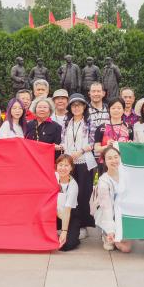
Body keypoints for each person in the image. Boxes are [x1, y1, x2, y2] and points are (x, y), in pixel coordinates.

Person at [60, 94, 96, 239]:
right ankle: (69, 223)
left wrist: (80, 151)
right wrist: (63, 149)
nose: (76, 108)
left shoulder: (89, 122)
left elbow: (92, 142)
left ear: (84, 107)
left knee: (83, 194)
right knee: (69, 193)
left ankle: (82, 226)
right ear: (70, 108)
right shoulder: (66, 122)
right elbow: (63, 140)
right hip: (69, 162)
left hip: (84, 162)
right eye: (73, 105)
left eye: (79, 105)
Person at [95, 146, 132, 252]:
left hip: (124, 213)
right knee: (110, 246)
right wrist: (110, 230)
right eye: (110, 158)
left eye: (116, 157)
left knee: (126, 248)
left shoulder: (127, 176)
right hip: (109, 213)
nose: (114, 160)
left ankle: (118, 235)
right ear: (104, 161)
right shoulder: (103, 181)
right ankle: (106, 233)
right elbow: (106, 208)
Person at [55, 154, 81, 251]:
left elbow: (67, 210)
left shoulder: (73, 185)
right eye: (60, 165)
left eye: (66, 165)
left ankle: (69, 234)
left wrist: (64, 231)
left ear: (71, 168)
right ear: (56, 166)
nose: (63, 168)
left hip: (69, 214)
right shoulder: (53, 177)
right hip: (54, 213)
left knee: (67, 245)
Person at [87, 82, 110, 150]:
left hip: (107, 150)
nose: (96, 94)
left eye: (98, 91)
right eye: (93, 91)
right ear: (89, 93)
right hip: (88, 151)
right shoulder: (84, 111)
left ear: (103, 93)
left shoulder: (110, 110)